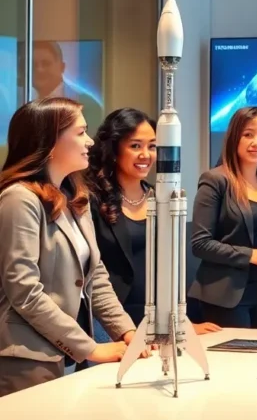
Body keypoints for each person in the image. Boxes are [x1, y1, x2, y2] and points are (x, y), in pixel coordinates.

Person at [0, 97, 138, 397]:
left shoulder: (75, 197)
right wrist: (90, 348)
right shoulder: (19, 199)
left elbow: (95, 277)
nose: (90, 141)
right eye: (80, 132)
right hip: (26, 359)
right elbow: (24, 291)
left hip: (68, 354)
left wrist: (127, 332)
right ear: (49, 141)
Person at [85, 108, 220, 336]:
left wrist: (180, 322)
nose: (146, 155)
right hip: (108, 319)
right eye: (135, 146)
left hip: (156, 319)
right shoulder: (92, 199)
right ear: (115, 149)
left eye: (152, 146)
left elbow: (170, 267)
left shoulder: (161, 198)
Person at [189, 106, 257, 329]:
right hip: (226, 296)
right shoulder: (215, 180)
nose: (256, 142)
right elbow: (200, 243)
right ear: (234, 138)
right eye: (248, 134)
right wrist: (251, 255)